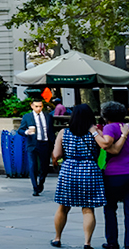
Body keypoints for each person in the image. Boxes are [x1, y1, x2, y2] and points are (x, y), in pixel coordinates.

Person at [52, 103, 108, 249]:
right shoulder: (94, 131)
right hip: (89, 169)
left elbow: (57, 155)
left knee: (63, 207)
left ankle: (57, 238)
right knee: (88, 208)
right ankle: (87, 242)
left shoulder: (64, 132)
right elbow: (104, 146)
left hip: (68, 170)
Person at [99, 101, 129, 249]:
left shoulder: (109, 127)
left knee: (110, 208)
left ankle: (112, 242)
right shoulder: (128, 127)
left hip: (114, 173)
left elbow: (108, 145)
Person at [23, 97, 56, 196]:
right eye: (36, 106)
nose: (38, 108)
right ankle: (35, 187)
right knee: (33, 165)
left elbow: (51, 130)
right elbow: (20, 129)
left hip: (45, 143)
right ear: (32, 106)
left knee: (44, 166)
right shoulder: (27, 117)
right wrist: (26, 132)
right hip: (33, 143)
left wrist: (53, 143)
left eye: (40, 106)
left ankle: (41, 182)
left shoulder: (48, 116)